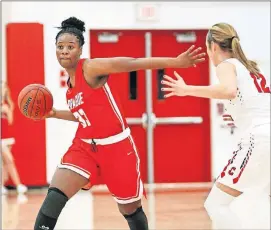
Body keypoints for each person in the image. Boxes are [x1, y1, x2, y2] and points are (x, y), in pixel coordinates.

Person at [33, 17, 205, 230]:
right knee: (54, 198)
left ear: (80, 50)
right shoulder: (70, 84)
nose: (65, 51)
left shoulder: (91, 68)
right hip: (84, 146)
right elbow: (85, 116)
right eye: (60, 47)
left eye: (70, 46)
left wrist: (175, 62)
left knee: (130, 210)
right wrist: (54, 113)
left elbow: (131, 63)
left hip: (117, 148)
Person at [161, 22, 270, 229]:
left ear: (212, 47)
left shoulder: (226, 64)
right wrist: (239, 115)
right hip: (266, 132)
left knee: (215, 204)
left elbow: (229, 90)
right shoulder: (252, 67)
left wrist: (187, 90)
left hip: (260, 139)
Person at [1, 81, 28, 195]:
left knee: (5, 164)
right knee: (10, 160)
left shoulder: (8, 104)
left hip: (8, 137)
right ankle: (18, 185)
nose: (2, 90)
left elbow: (10, 121)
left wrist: (6, 111)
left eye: (3, 88)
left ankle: (1, 186)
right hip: (1, 138)